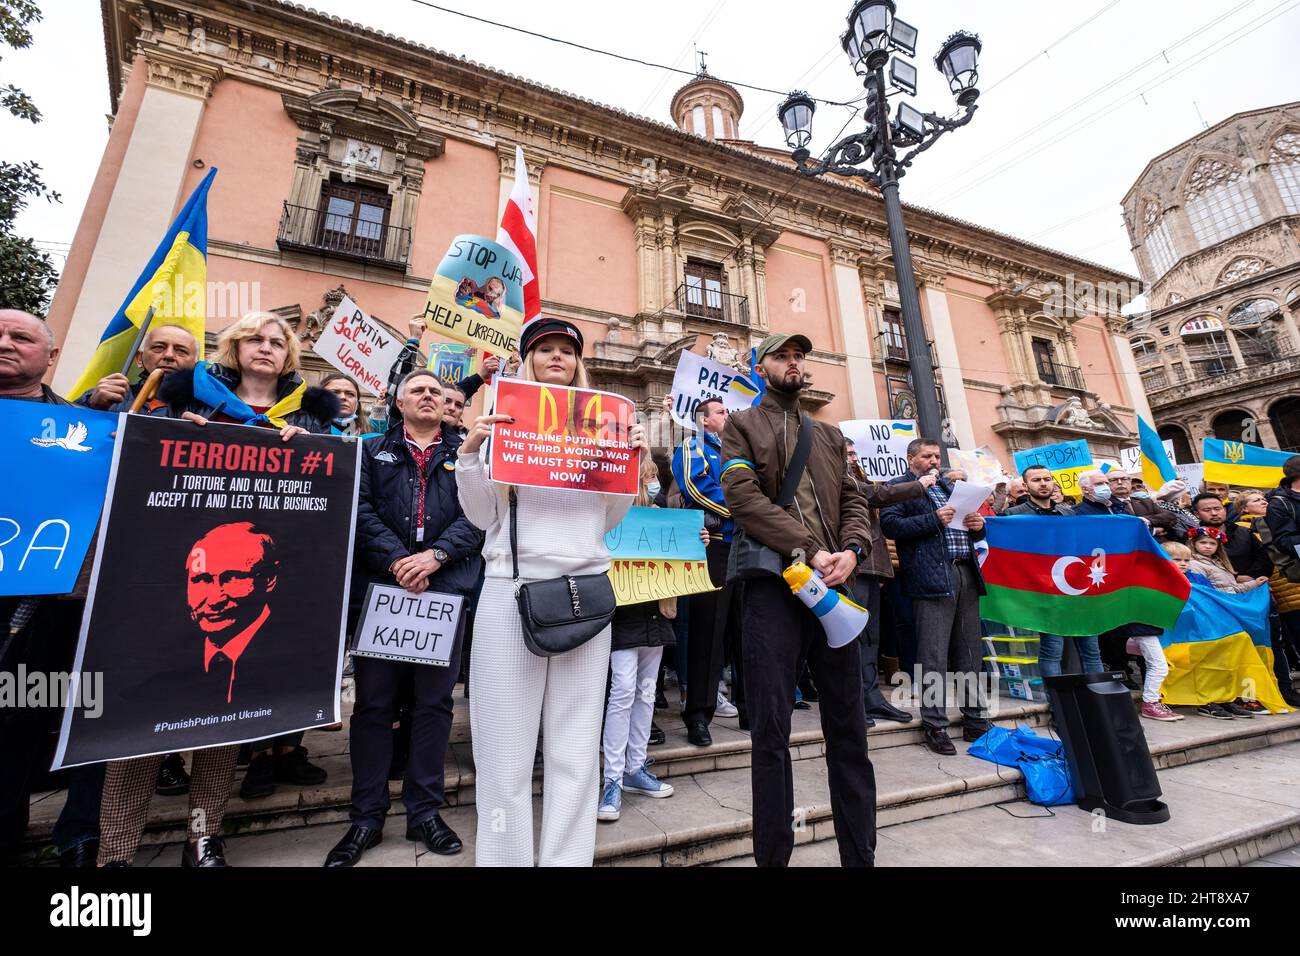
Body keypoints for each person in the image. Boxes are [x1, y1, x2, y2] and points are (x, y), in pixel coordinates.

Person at [456, 316, 646, 866]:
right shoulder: (505, 422)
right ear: (528, 360)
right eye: (545, 350)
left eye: (567, 350)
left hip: (585, 590)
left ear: (578, 362)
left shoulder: (603, 426)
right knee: (503, 750)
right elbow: (482, 514)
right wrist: (472, 452)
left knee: (575, 748)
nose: (556, 357)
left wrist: (628, 465)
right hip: (509, 589)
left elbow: (608, 520)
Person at [156, 311, 337, 800]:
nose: (265, 347)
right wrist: (178, 433)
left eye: (277, 342)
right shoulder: (190, 402)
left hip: (269, 569)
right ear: (234, 348)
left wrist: (317, 449)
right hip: (194, 571)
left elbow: (335, 488)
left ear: (289, 357)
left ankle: (242, 779)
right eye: (254, 338)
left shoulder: (312, 415)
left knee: (257, 675)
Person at [720, 332, 876, 867]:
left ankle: (861, 858)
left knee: (850, 732)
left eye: (798, 356)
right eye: (782, 356)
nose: (793, 363)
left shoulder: (829, 436)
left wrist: (853, 550)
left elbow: (855, 499)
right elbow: (742, 499)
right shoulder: (741, 426)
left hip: (835, 591)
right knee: (770, 734)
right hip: (773, 592)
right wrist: (809, 548)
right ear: (760, 367)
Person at [324, 370, 484, 866]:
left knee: (435, 706)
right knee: (374, 706)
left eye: (437, 391)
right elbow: (361, 511)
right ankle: (366, 818)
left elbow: (480, 514)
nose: (430, 396)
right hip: (385, 592)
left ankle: (425, 812)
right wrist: (398, 560)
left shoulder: (468, 454)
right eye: (418, 389)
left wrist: (436, 556)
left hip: (445, 590)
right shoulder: (371, 451)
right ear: (397, 401)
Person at [0, 310, 105, 867]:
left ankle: (61, 835)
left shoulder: (81, 429)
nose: (6, 344)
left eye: (21, 336)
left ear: (50, 355)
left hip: (48, 607)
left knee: (29, 715)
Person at [598, 457, 697, 822]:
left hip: (656, 612)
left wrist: (694, 539)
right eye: (650, 475)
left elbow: (681, 556)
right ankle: (612, 777)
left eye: (656, 475)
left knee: (644, 692)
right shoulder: (611, 515)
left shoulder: (662, 517)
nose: (655, 481)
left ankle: (635, 767)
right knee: (623, 690)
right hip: (624, 616)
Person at [880, 438, 992, 756]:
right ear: (910, 458)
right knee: (933, 656)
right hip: (930, 578)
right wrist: (933, 519)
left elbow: (970, 529)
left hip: (965, 573)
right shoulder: (899, 486)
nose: (933, 461)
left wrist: (977, 526)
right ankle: (935, 724)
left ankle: (976, 720)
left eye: (936, 456)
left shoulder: (949, 486)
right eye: (926, 456)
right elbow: (890, 525)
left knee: (970, 653)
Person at [843, 440, 931, 725]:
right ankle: (853, 700)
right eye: (848, 454)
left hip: (871, 565)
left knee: (871, 636)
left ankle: (872, 698)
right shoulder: (838, 478)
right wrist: (919, 485)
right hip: (850, 564)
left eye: (855, 453)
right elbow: (877, 494)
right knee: (852, 637)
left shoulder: (861, 478)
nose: (853, 459)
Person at [671, 396, 742, 746]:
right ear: (703, 420)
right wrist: (742, 510)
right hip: (715, 545)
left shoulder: (740, 448)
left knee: (747, 631)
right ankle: (698, 714)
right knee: (706, 635)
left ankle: (751, 706)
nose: (727, 415)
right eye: (720, 411)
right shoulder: (693, 445)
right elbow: (695, 485)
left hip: (748, 547)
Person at [1005, 464, 1105, 678]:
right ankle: (1058, 703)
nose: (1043, 484)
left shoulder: (1068, 513)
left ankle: (1096, 698)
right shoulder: (1013, 515)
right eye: (1036, 480)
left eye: (1047, 479)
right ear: (1026, 485)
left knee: (1091, 650)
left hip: (1077, 589)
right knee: (1052, 650)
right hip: (1044, 592)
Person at [80, 323, 198, 412]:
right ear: (139, 359)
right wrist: (92, 404)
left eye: (181, 351)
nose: (169, 355)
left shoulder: (206, 409)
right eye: (159, 347)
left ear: (195, 365)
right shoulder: (109, 396)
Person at [1192, 492, 1272, 585]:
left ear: (1225, 510)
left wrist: (1251, 576)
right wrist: (1234, 578)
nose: (1214, 513)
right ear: (1197, 514)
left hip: (1256, 586)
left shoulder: (1244, 532)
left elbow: (1264, 557)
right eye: (1207, 510)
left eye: (1217, 509)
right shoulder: (1193, 538)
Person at [1187, 526, 1268, 594]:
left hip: (1229, 603)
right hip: (1219, 606)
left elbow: (1232, 589)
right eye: (1203, 542)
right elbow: (1203, 593)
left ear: (1218, 547)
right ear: (1194, 544)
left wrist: (1255, 583)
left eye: (1212, 543)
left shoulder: (1219, 563)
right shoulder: (1194, 564)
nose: (1208, 546)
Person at [1107, 469, 1177, 539]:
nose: (1119, 482)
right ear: (1107, 484)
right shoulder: (1106, 504)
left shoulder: (1146, 502)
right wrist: (1154, 530)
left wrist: (1146, 520)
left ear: (1130, 483)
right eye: (1113, 480)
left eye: (1124, 479)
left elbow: (1170, 517)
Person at [320, 371, 374, 437]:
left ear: (357, 403)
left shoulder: (372, 436)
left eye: (350, 394)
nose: (343, 397)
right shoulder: (306, 428)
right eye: (334, 392)